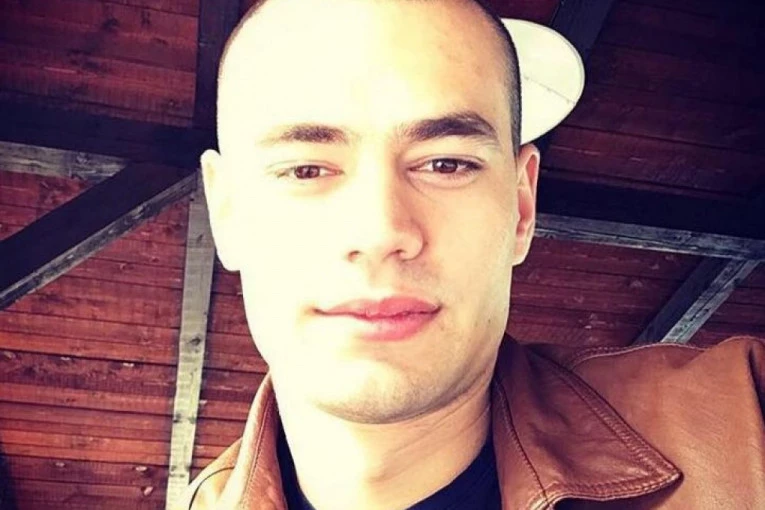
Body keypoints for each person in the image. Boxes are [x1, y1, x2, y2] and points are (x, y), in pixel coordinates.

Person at [180, 0, 765, 508]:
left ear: (521, 207)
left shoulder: (746, 420)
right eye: (305, 170)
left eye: (446, 164)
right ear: (226, 212)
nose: (381, 231)